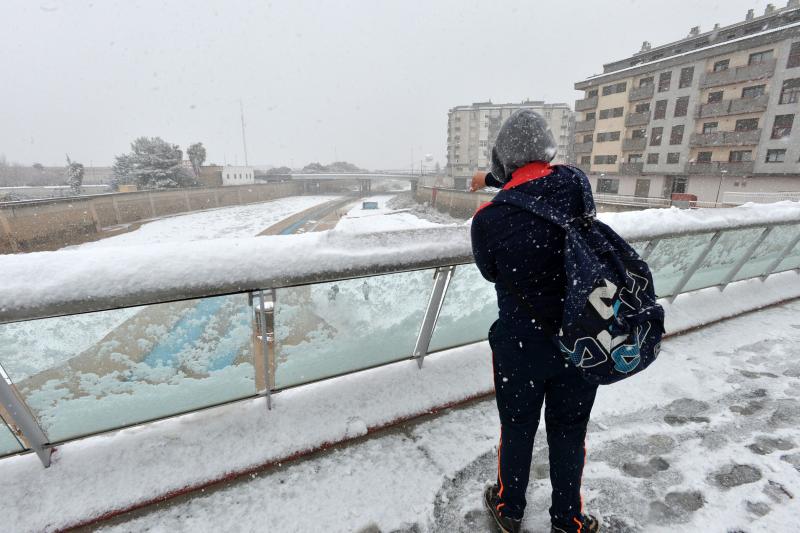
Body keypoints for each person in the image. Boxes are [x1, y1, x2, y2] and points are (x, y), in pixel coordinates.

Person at [470, 109, 600, 533]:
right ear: (549, 147)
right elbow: (544, 185)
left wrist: (491, 184)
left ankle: (509, 510)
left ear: (500, 158)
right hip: (579, 338)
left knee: (518, 428)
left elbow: (491, 271)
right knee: (568, 433)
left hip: (520, 346)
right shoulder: (576, 184)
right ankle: (568, 521)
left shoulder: (487, 221)